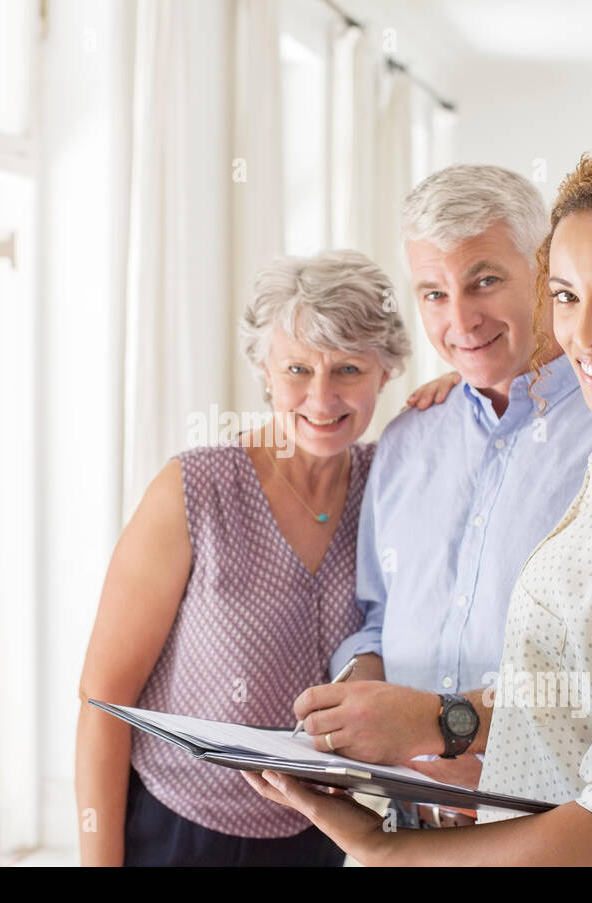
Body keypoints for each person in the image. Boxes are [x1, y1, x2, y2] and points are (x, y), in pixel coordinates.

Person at [244, 140, 592, 865]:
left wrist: (430, 748)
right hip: (433, 822)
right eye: (573, 295)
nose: (460, 318)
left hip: (549, 841)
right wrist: (376, 720)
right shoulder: (423, 436)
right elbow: (396, 616)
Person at [75, 249, 461, 866]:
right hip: (176, 826)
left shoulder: (391, 485)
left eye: (349, 369)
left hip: (321, 830)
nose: (321, 396)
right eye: (298, 369)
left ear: (387, 371)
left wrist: (462, 388)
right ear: (264, 370)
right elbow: (102, 699)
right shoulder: (193, 489)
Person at [288, 165, 592, 830]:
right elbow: (381, 614)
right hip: (409, 822)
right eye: (434, 294)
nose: (460, 319)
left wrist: (482, 744)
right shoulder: (409, 439)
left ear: (545, 268)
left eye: (485, 281)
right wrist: (361, 683)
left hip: (555, 826)